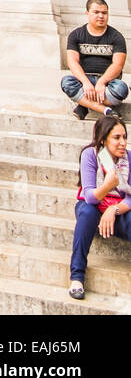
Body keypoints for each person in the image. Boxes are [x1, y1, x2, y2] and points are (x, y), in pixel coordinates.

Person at [69, 113, 131, 299]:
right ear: (103, 140)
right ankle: (77, 277)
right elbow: (89, 197)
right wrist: (107, 186)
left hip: (117, 210)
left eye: (125, 137)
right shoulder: (90, 155)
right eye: (117, 137)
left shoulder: (129, 158)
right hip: (92, 208)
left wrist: (114, 210)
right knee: (87, 213)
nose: (123, 142)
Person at [62, 0, 128, 119]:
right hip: (84, 81)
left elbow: (118, 65)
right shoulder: (76, 35)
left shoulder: (117, 37)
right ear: (87, 13)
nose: (101, 16)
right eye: (96, 12)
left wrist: (102, 82)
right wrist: (86, 83)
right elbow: (72, 62)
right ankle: (106, 110)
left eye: (104, 13)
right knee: (66, 82)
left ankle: (83, 105)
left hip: (108, 83)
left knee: (121, 89)